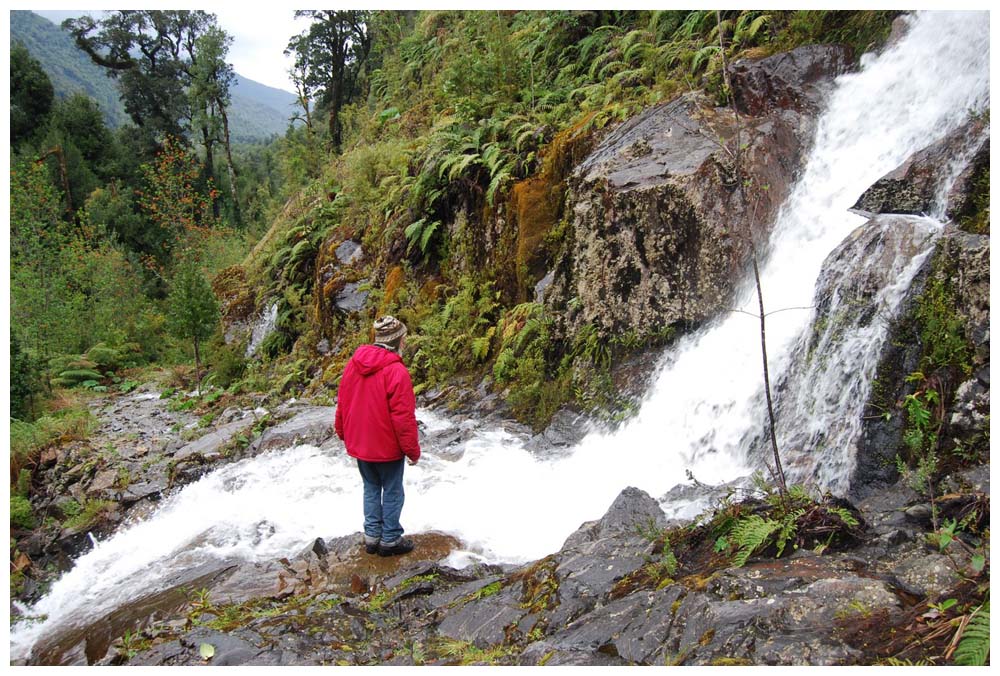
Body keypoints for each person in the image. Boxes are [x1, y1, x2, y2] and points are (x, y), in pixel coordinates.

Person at [335, 316, 421, 557]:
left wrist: (342, 432)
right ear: (397, 341)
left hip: (360, 443)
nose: (405, 341)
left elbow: (343, 401)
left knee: (371, 488)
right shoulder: (396, 371)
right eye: (403, 338)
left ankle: (372, 537)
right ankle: (390, 539)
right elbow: (403, 418)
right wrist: (413, 451)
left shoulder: (353, 364)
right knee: (393, 490)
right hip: (387, 446)